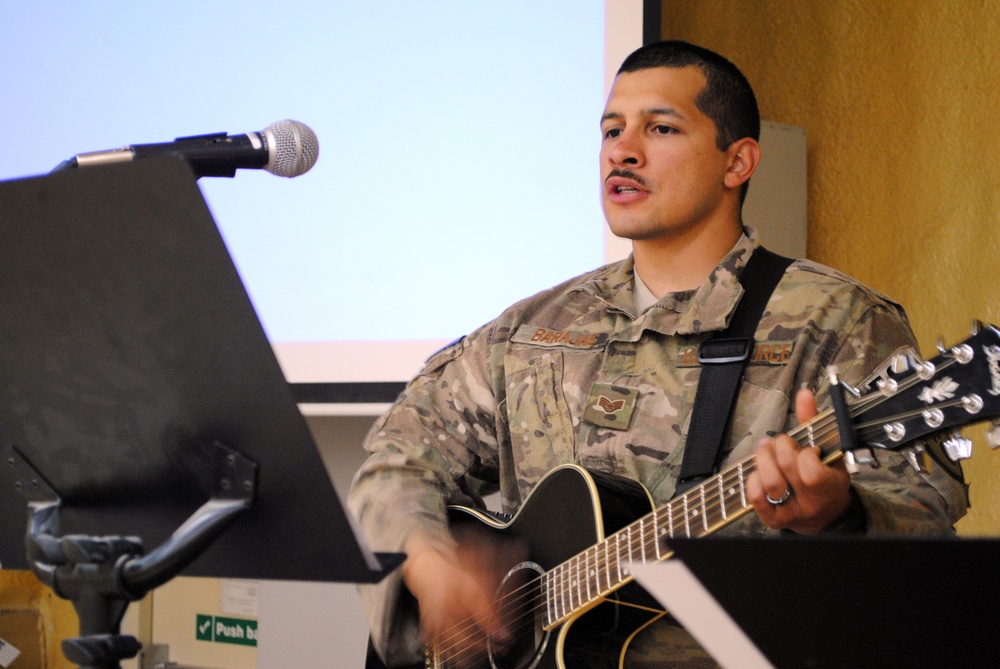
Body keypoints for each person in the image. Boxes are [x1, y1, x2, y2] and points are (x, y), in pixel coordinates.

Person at [348, 40, 968, 668]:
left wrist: (840, 514)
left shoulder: (837, 321)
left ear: (738, 162)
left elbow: (927, 521)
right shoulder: (528, 331)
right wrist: (429, 567)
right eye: (612, 130)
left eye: (660, 127)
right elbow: (399, 457)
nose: (623, 149)